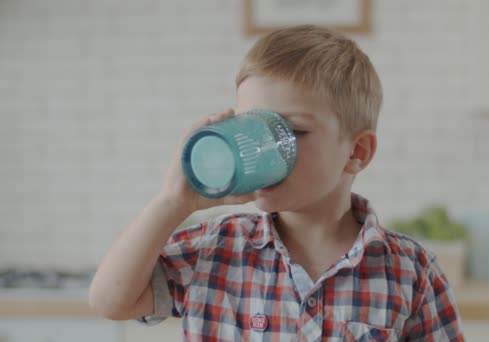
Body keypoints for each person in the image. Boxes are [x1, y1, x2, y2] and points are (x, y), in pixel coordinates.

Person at [88, 25, 465, 341]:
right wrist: (173, 200)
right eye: (251, 125)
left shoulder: (410, 272)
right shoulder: (214, 250)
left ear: (357, 152)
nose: (260, 147)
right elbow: (111, 301)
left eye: (291, 131)